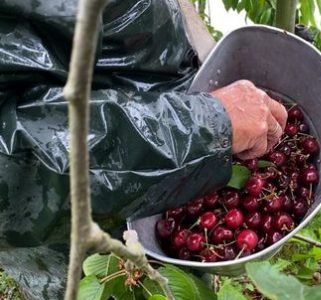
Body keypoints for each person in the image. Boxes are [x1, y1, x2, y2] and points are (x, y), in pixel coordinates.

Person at [0, 0, 286, 297]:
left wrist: (203, 63)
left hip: (181, 187)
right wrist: (205, 125)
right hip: (80, 249)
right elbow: (13, 166)